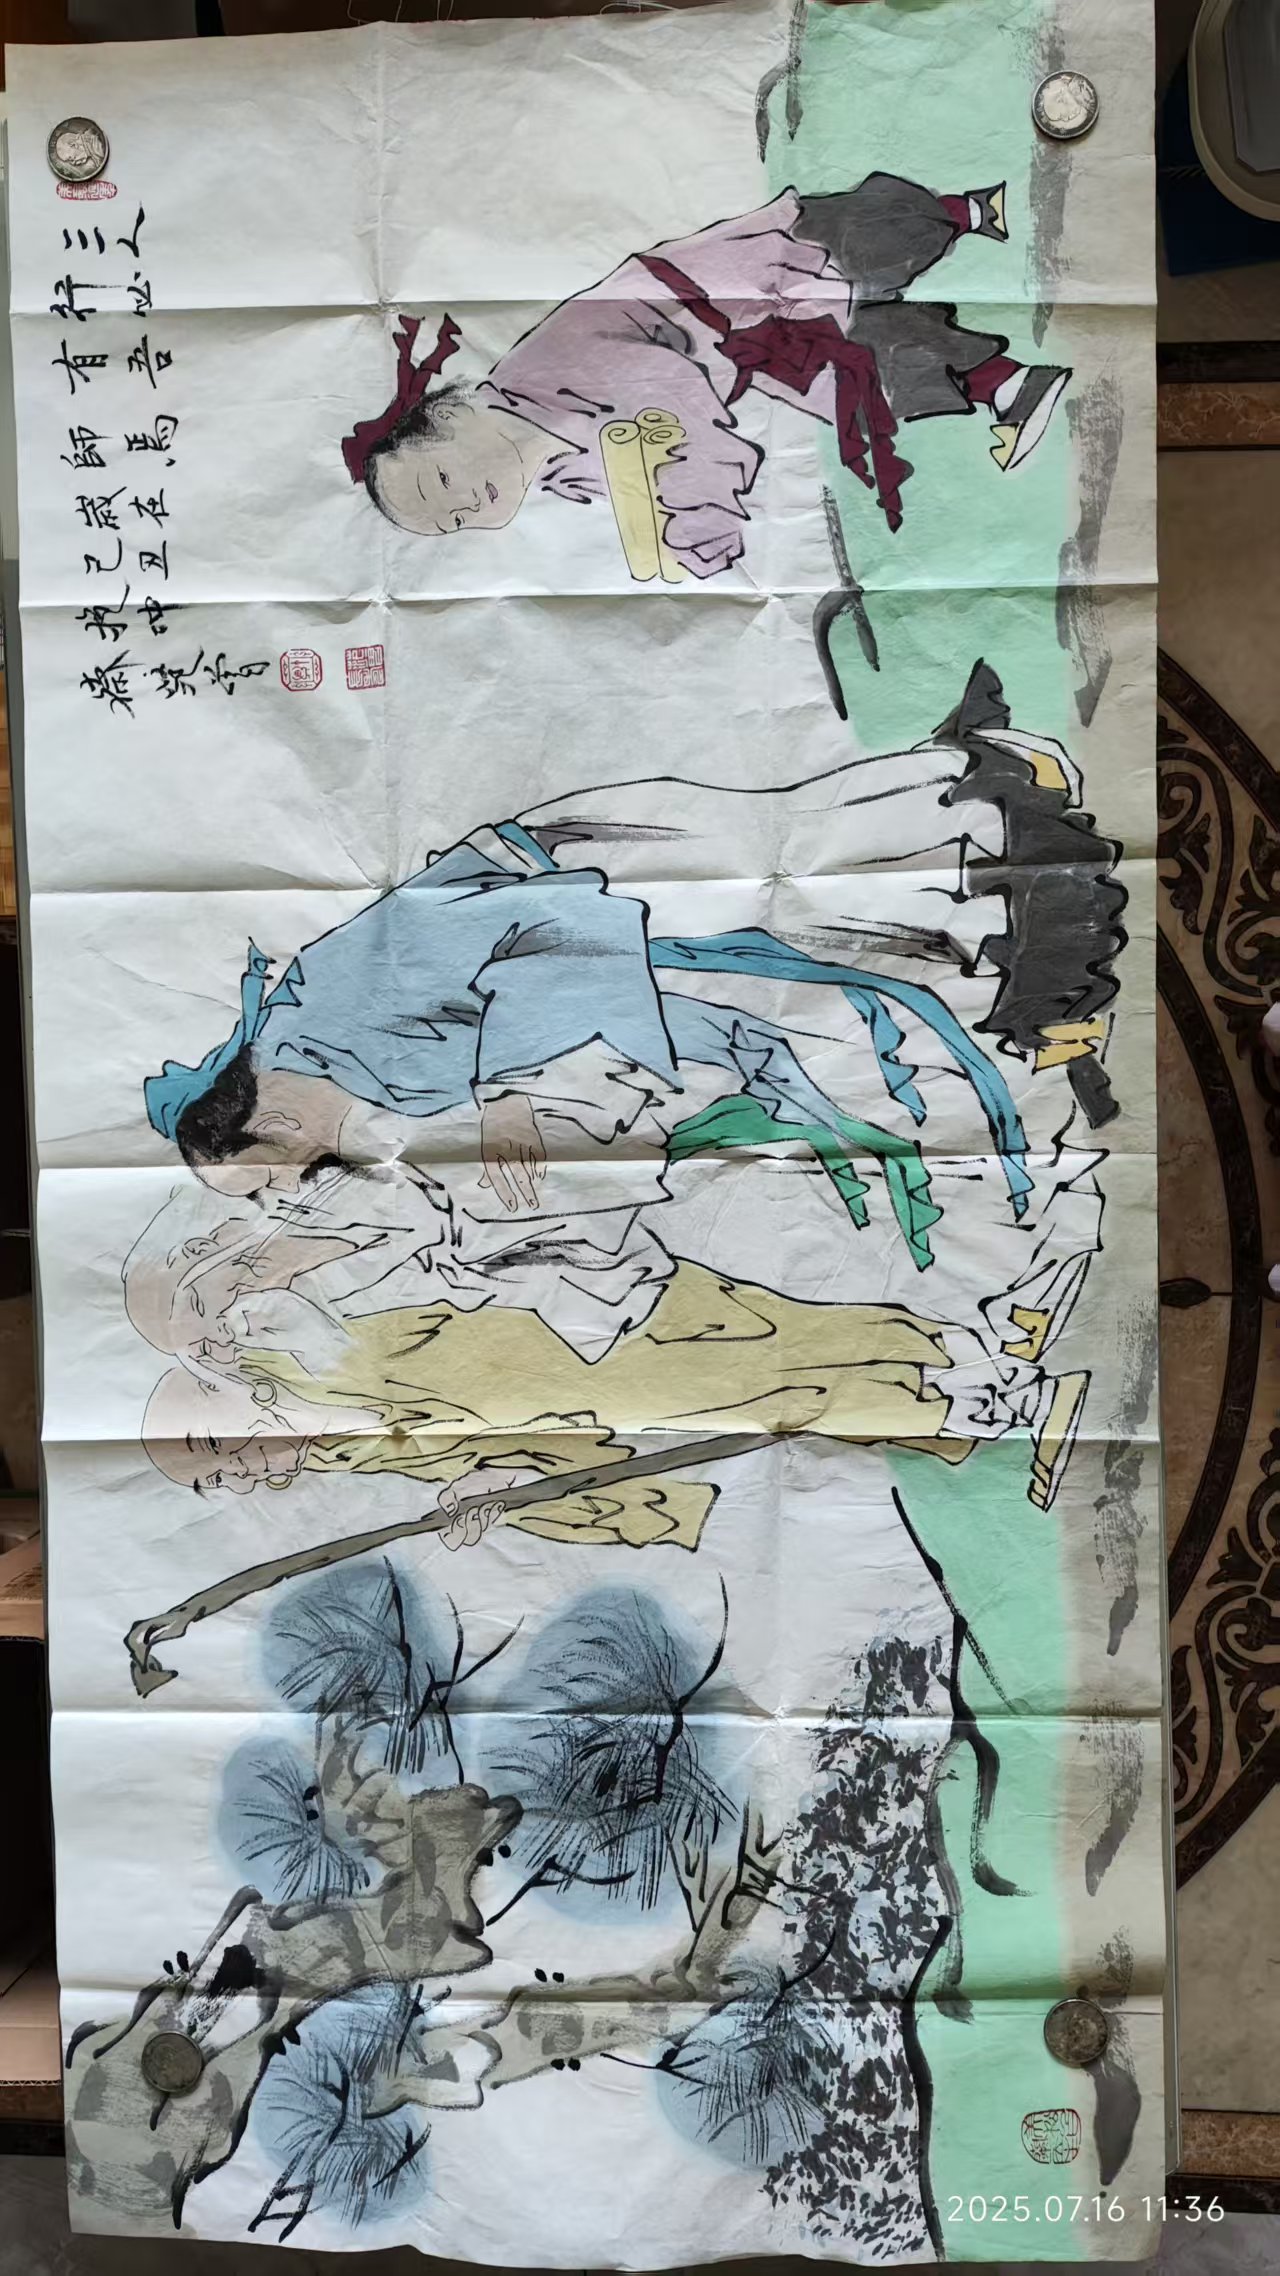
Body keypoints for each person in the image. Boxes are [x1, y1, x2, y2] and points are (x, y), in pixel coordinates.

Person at [341, 175, 1070, 575]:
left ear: (454, 414)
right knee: (858, 381)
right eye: (450, 522)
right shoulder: (561, 473)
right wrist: (681, 533)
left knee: (847, 245)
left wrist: (706, 516)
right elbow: (653, 471)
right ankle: (1008, 384)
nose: (464, 504)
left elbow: (676, 404)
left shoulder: (543, 374)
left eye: (442, 481)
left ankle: (970, 211)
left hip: (724, 292)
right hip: (738, 357)